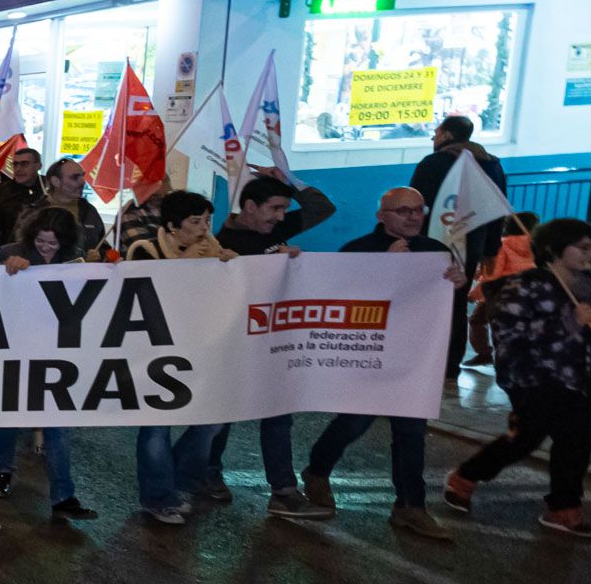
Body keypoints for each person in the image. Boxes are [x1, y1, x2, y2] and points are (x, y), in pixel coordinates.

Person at [300, 187, 466, 541]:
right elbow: (341, 301)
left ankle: (410, 506)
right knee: (354, 424)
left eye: (418, 210)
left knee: (411, 433)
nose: (412, 217)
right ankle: (317, 469)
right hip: (369, 356)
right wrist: (383, 268)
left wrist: (458, 282)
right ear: (382, 216)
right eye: (403, 211)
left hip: (413, 357)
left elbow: (446, 303)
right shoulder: (359, 250)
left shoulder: (435, 252)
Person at [445, 218, 591, 541]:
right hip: (535, 379)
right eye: (581, 247)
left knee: (576, 444)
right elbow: (510, 335)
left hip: (580, 380)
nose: (590, 254)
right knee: (525, 438)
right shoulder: (524, 287)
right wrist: (568, 323)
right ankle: (466, 476)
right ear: (554, 248)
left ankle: (563, 508)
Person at [202, 169, 336, 514]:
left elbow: (323, 207)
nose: (280, 216)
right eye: (274, 208)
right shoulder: (220, 244)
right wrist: (267, 264)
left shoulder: (277, 228)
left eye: (283, 209)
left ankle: (284, 490)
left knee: (278, 414)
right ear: (249, 206)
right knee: (220, 415)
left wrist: (287, 179)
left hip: (272, 343)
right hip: (231, 343)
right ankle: (207, 474)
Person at [124, 190, 232, 525]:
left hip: (200, 348)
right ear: (172, 226)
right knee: (158, 426)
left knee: (212, 420)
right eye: (195, 221)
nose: (203, 229)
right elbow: (143, 296)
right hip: (155, 353)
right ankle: (159, 497)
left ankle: (176, 479)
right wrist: (186, 267)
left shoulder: (214, 253)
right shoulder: (145, 251)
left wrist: (229, 267)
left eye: (207, 221)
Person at [0, 206, 96, 524]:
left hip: (55, 356)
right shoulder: (9, 254)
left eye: (53, 244)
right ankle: (4, 470)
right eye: (40, 241)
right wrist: (5, 268)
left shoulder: (74, 262)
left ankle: (63, 495)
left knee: (56, 427)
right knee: (10, 417)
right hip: (16, 352)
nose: (46, 249)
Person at [410, 114, 508, 371]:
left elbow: (416, 204)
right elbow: (497, 208)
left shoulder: (434, 163)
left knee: (426, 299)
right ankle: (451, 362)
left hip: (434, 239)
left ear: (447, 135)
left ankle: (424, 360)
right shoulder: (492, 164)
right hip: (472, 242)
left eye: (437, 132)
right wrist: (491, 249)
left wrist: (409, 242)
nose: (434, 137)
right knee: (457, 300)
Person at [467, 213, 538, 366]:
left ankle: (484, 353)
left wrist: (475, 293)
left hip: (499, 294)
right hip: (526, 294)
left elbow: (492, 275)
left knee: (477, 321)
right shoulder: (536, 246)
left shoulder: (502, 245)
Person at [21, 158, 107, 259]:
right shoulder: (34, 212)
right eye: (75, 177)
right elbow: (20, 250)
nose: (82, 182)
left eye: (83, 176)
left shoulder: (89, 211)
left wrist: (100, 255)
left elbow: (102, 245)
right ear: (56, 181)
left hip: (85, 273)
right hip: (45, 273)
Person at [0, 148, 44, 245]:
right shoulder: (1, 192)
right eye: (15, 164)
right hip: (10, 249)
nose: (18, 169)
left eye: (24, 164)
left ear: (38, 166)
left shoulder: (49, 187)